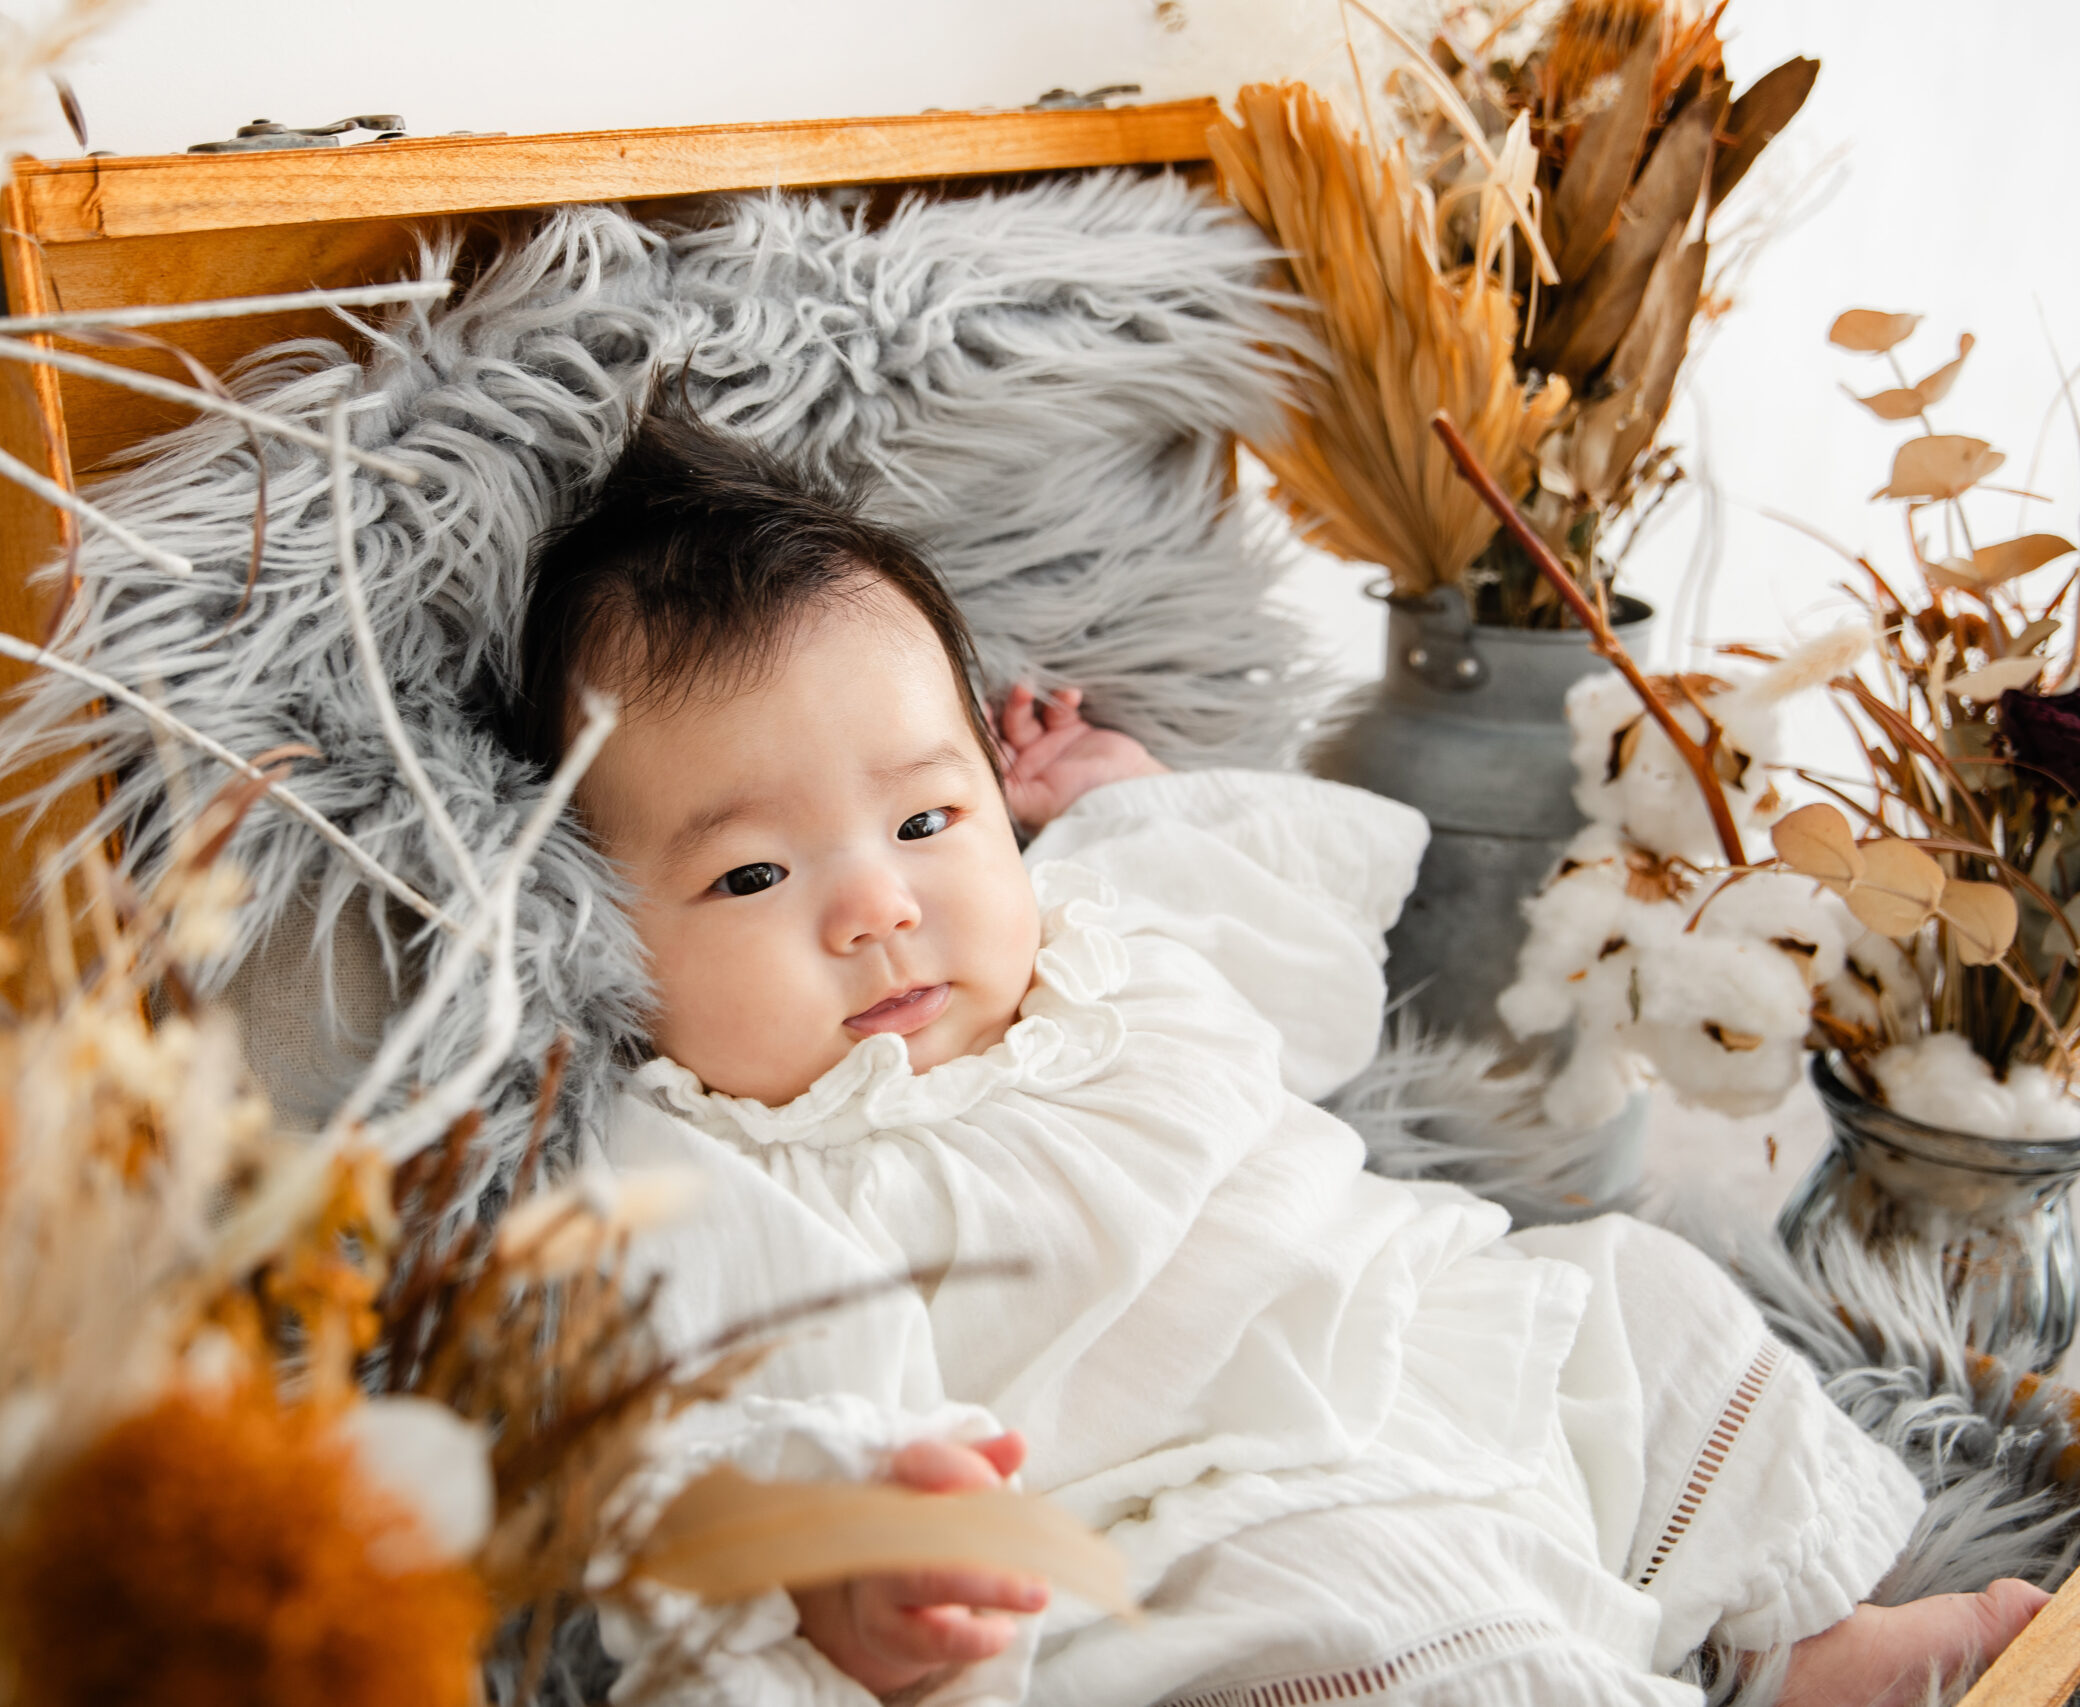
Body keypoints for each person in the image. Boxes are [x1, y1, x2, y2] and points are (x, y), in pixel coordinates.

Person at [507, 409, 2049, 1707]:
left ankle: (1810, 1646)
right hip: (1195, 1529)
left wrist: (1126, 789)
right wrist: (860, 1565)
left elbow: (1292, 948)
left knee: (1647, 1301)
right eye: (751, 877)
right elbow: (696, 1436)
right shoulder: (713, 1161)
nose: (879, 906)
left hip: (1437, 1351)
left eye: (927, 820)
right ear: (592, 934)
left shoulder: (1098, 937)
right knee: (1400, 1619)